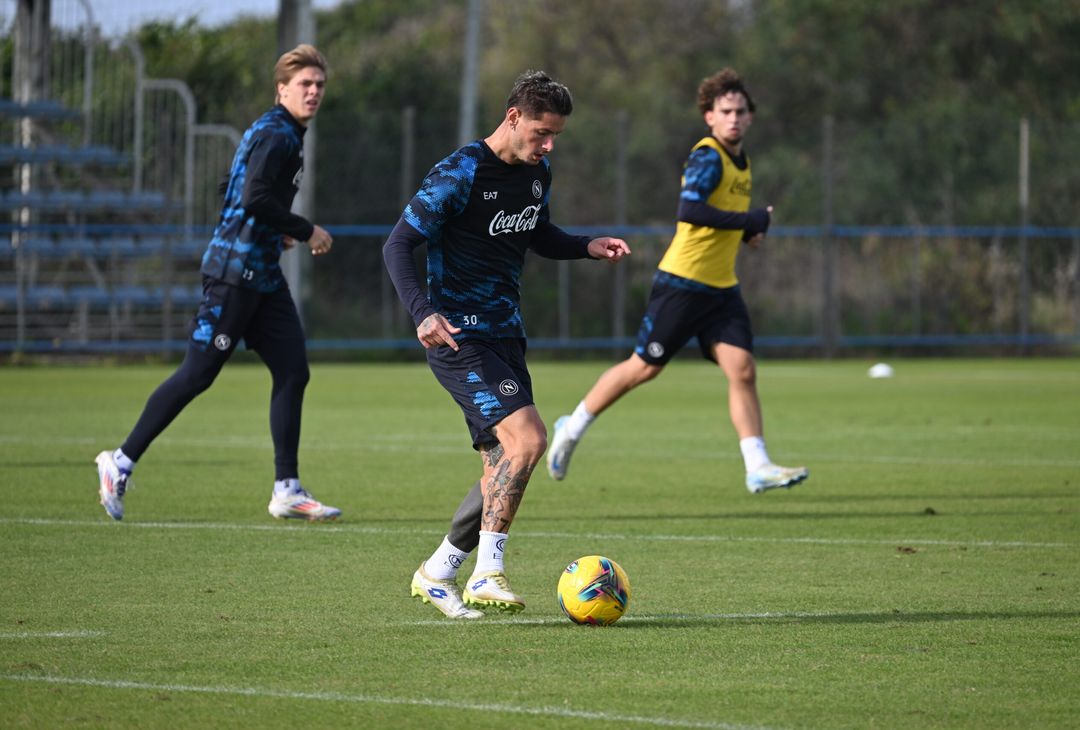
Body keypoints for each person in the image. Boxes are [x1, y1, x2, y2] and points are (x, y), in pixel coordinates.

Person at [383, 70, 631, 619]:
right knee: (529, 439)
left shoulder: (537, 171)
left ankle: (438, 571)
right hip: (457, 334)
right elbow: (398, 245)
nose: (548, 145)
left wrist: (587, 246)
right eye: (541, 132)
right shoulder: (461, 171)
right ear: (513, 116)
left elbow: (537, 233)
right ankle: (487, 573)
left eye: (556, 138)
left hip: (506, 333)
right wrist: (422, 313)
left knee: (502, 460)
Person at [95, 44, 341, 522]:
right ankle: (119, 461)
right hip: (234, 277)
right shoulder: (280, 137)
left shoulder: (274, 129)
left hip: (261, 274)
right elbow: (252, 198)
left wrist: (272, 234)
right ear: (282, 89)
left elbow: (228, 188)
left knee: (293, 370)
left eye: (319, 85)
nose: (313, 92)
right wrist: (302, 229)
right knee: (198, 373)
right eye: (304, 84)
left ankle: (286, 488)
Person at [545, 68, 808, 494]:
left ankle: (756, 465)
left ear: (750, 117)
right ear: (709, 116)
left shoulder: (742, 162)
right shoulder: (707, 156)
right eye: (725, 111)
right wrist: (751, 218)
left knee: (742, 369)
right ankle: (571, 427)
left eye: (741, 111)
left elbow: (717, 220)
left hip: (722, 288)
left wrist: (746, 231)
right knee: (643, 368)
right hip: (682, 284)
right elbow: (690, 212)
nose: (734, 118)